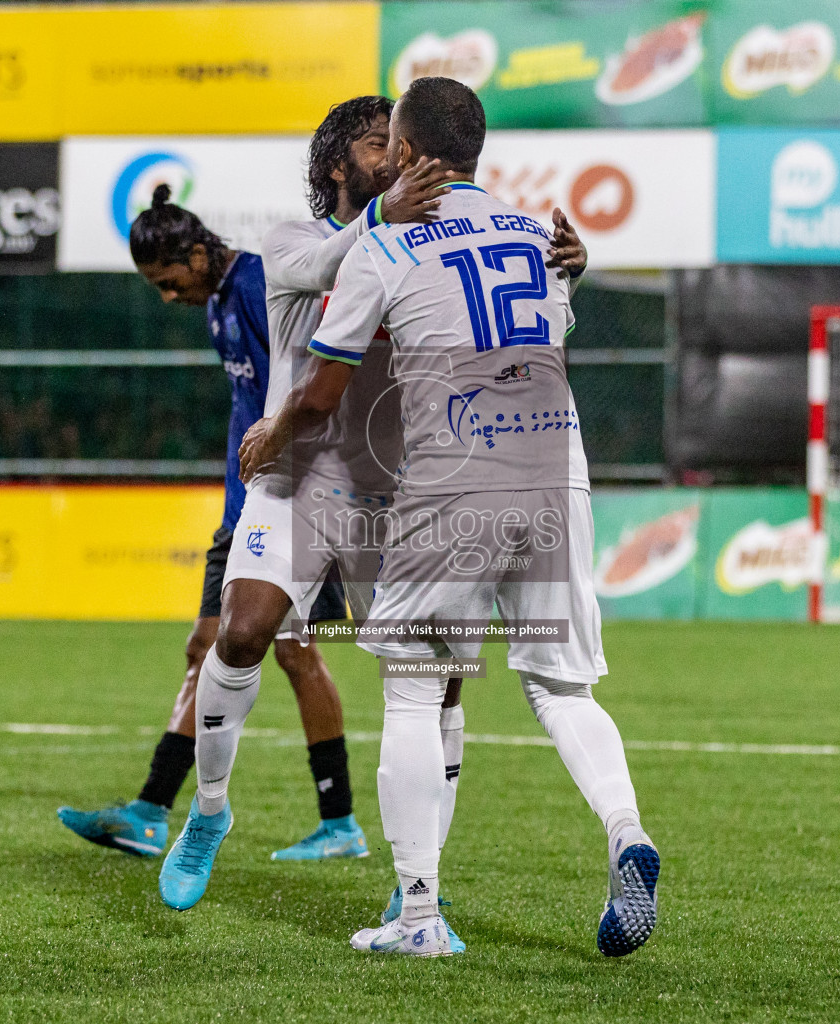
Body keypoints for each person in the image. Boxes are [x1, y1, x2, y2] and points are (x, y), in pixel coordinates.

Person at [239, 77, 655, 959]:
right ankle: (627, 831)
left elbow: (322, 389)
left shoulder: (385, 247)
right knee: (561, 686)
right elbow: (550, 334)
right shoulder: (539, 233)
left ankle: (420, 916)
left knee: (414, 687)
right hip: (558, 474)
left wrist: (274, 433)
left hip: (456, 483)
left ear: (407, 144)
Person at [157, 94, 592, 929]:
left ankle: (415, 880)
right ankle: (209, 810)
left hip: (404, 490)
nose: (392, 152)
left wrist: (569, 260)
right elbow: (326, 273)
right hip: (301, 477)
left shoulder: (425, 241)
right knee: (242, 633)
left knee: (439, 685)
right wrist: (385, 220)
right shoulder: (292, 242)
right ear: (335, 166)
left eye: (395, 139)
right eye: (372, 143)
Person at [55, 190, 363, 861]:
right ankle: (155, 810)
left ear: (198, 253)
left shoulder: (256, 284)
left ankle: (328, 822)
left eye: (171, 281)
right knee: (221, 648)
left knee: (276, 648)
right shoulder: (221, 298)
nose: (169, 297)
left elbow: (310, 377)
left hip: (286, 503)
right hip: (247, 505)